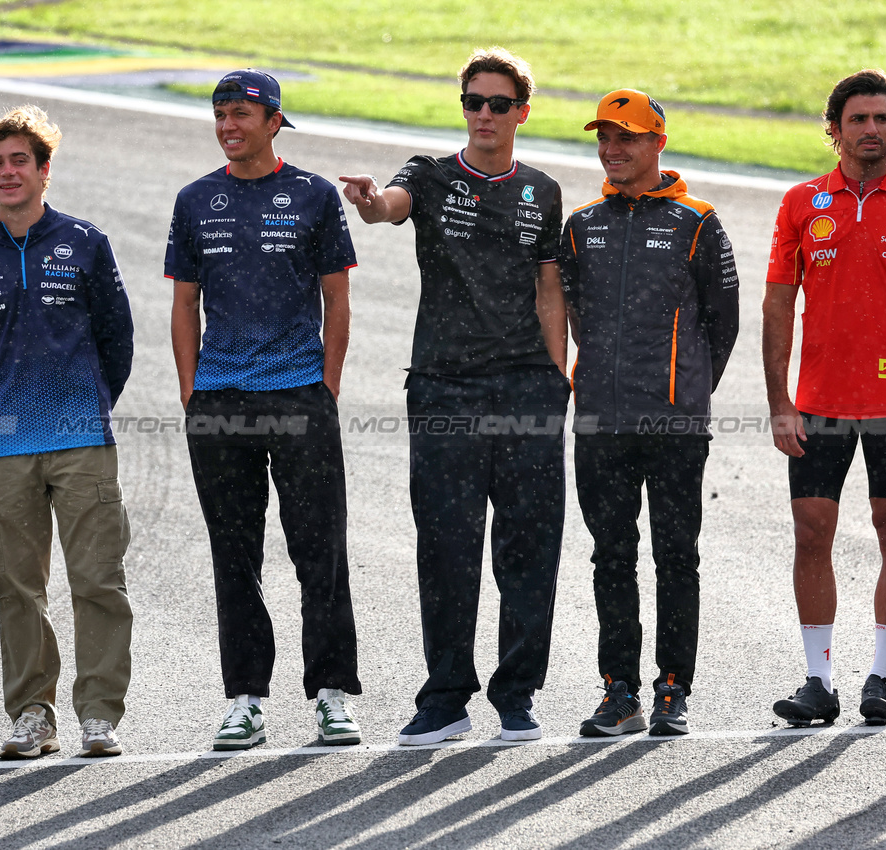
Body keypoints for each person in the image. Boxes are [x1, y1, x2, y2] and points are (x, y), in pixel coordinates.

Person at [340, 47, 569, 745]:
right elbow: (388, 208)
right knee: (446, 547)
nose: (484, 115)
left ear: (520, 113)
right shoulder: (431, 175)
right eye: (473, 101)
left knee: (528, 549)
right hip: (443, 387)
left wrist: (557, 381)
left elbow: (549, 289)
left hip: (527, 386)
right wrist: (370, 202)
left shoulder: (542, 191)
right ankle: (444, 699)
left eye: (498, 104)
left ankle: (517, 694)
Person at [167, 69, 363, 751]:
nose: (228, 125)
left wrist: (326, 387)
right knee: (234, 555)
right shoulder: (195, 199)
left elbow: (336, 300)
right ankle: (245, 698)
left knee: (319, 551)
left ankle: (332, 696)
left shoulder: (312, 196)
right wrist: (193, 394)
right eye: (220, 113)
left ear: (274, 120)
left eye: (242, 113)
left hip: (300, 395)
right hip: (219, 403)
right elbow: (183, 303)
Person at [763, 70, 886, 726]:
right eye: (859, 120)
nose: (871, 130)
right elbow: (776, 303)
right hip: (816, 399)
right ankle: (816, 682)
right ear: (834, 128)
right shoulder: (798, 202)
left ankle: (879, 677)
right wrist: (778, 400)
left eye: (882, 119)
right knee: (810, 531)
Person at [0, 106, 135, 758]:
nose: (6, 172)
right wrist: (9, 407)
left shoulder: (85, 241)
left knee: (97, 581)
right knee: (18, 589)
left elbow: (117, 339)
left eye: (18, 160)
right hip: (4, 446)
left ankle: (98, 715)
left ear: (43, 168)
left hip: (82, 438)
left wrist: (86, 405)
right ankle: (32, 715)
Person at [559, 90, 740, 737]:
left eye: (625, 138)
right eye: (604, 138)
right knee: (610, 557)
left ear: (656, 143)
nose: (612, 150)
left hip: (673, 426)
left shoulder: (697, 221)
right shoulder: (581, 223)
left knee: (675, 557)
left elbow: (723, 322)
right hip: (600, 423)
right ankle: (618, 691)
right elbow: (572, 311)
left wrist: (685, 391)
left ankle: (672, 689)